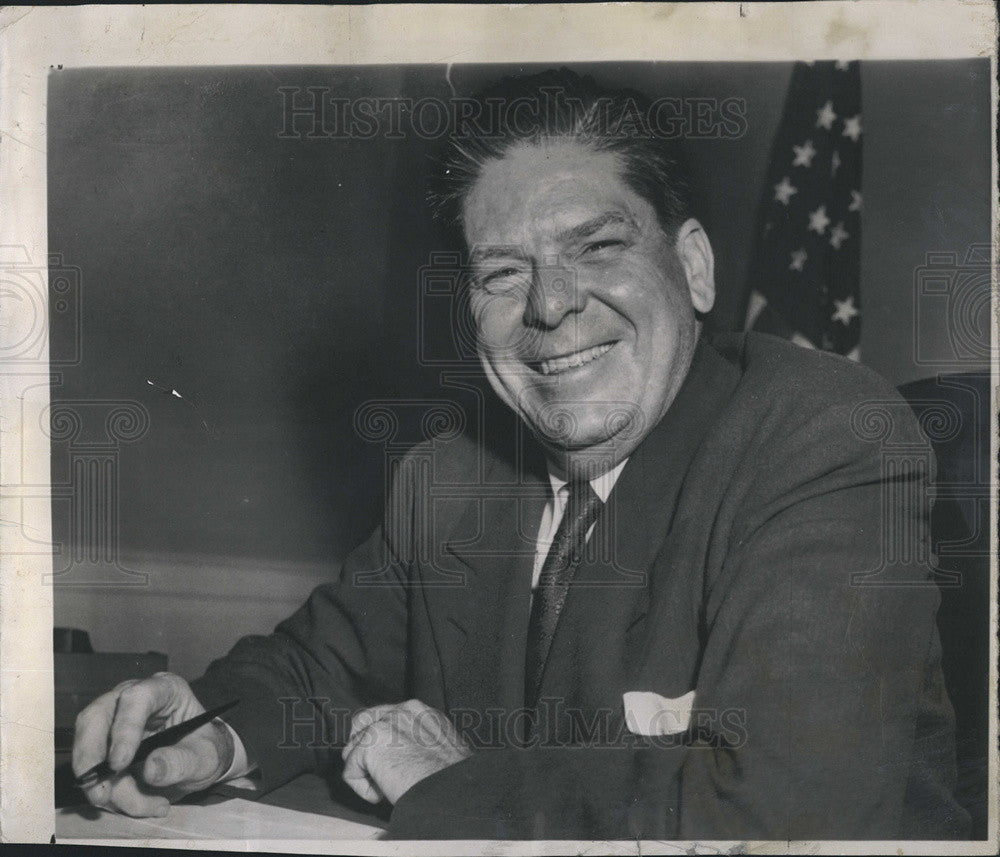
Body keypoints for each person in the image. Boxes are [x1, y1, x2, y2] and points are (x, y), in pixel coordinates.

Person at [72, 68, 969, 840]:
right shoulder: (447, 476)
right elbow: (316, 670)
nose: (549, 307)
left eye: (599, 247)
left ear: (693, 268)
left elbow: (791, 815)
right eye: (502, 273)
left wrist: (449, 782)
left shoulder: (823, 438)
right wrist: (211, 731)